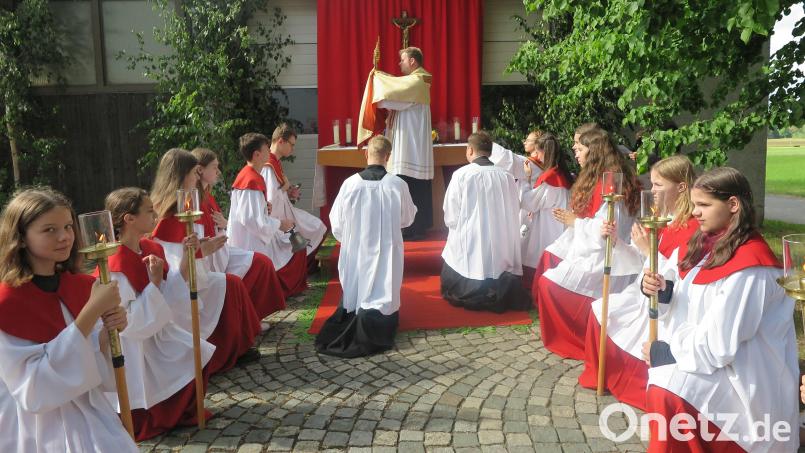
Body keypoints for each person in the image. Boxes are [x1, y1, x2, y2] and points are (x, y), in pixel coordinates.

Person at [642, 167, 798, 452]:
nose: (696, 212)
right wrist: (664, 293)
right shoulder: (710, 245)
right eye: (694, 204)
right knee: (663, 381)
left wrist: (668, 351)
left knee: (667, 387)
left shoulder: (751, 266)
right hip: (714, 362)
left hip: (747, 379)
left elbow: (720, 345)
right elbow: (692, 306)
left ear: (733, 205)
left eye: (704, 205)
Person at [0, 187, 138, 452]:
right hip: (37, 428)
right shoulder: (7, 303)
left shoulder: (79, 286)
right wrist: (90, 313)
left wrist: (109, 332)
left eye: (67, 226)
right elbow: (34, 389)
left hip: (90, 408)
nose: (64, 237)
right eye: (49, 230)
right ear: (22, 237)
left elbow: (97, 365)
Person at [578, 155, 698, 410]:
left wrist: (647, 251)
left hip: (666, 306)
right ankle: (602, 374)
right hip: (643, 291)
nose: (651, 190)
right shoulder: (666, 217)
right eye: (651, 184)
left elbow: (678, 279)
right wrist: (619, 243)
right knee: (599, 309)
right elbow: (638, 262)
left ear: (681, 187)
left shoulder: (691, 227)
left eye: (657, 185)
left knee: (609, 313)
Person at [102, 187, 215, 440]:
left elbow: (171, 291)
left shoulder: (149, 248)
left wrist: (187, 255)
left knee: (197, 351)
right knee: (184, 356)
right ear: (129, 219)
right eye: (149, 210)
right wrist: (152, 284)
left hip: (157, 327)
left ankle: (182, 413)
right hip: (135, 343)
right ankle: (157, 417)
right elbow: (129, 321)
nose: (155, 215)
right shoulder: (115, 265)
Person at [534, 128, 642, 359]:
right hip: (593, 245)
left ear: (594, 152)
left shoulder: (611, 182)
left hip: (609, 256)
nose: (575, 150)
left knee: (548, 283)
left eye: (580, 147)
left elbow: (610, 228)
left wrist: (575, 222)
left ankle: (577, 339)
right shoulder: (600, 176)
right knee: (550, 256)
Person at [150, 148, 261, 374]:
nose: (196, 178)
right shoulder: (169, 216)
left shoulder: (187, 205)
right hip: (178, 290)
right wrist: (203, 250)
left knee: (230, 284)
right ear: (181, 176)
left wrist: (202, 250)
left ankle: (237, 347)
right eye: (193, 173)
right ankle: (228, 352)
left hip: (192, 276)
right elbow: (173, 265)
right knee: (229, 285)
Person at [315, 135, 416, 357]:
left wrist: (353, 239)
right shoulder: (397, 184)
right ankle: (380, 322)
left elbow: (337, 223)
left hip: (356, 251)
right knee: (384, 284)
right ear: (388, 157)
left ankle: (355, 310)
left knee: (357, 286)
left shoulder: (349, 184)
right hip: (387, 250)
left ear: (366, 154)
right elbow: (407, 219)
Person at [440, 131, 531, 313]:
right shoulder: (505, 176)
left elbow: (451, 213)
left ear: (470, 150)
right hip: (500, 242)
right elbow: (515, 208)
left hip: (471, 241)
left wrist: (456, 228)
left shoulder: (461, 175)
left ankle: (471, 289)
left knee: (456, 244)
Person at [192, 147, 286, 322]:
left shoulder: (207, 195)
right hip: (211, 258)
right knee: (256, 266)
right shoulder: (194, 200)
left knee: (262, 262)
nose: (218, 171)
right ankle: (247, 319)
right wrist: (278, 223)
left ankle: (254, 317)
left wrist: (263, 210)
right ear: (200, 170)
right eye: (214, 167)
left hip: (221, 250)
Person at [228, 133, 308, 296]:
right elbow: (251, 219)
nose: (269, 153)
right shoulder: (251, 180)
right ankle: (282, 292)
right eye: (266, 150)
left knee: (294, 245)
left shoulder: (250, 175)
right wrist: (280, 224)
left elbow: (249, 211)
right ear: (257, 155)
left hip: (255, 235)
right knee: (292, 248)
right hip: (251, 240)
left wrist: (264, 207)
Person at [376, 47, 434, 240]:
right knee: (411, 183)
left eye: (402, 60)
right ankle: (414, 227)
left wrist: (376, 81)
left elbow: (390, 100)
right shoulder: (415, 81)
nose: (399, 64)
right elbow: (395, 98)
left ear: (412, 61)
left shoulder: (417, 81)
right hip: (410, 141)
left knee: (410, 183)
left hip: (411, 144)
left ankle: (413, 228)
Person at [262, 124, 327, 271]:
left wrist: (289, 192)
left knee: (316, 226)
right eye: (291, 145)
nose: (293, 149)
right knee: (316, 227)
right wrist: (285, 189)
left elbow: (277, 190)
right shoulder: (268, 165)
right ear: (280, 141)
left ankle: (306, 267)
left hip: (285, 211)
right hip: (278, 216)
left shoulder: (275, 162)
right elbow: (270, 198)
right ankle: (306, 268)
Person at [519, 133, 573, 287]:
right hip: (557, 223)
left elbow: (530, 203)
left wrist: (526, 179)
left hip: (548, 225)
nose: (536, 155)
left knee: (543, 257)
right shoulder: (561, 173)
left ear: (544, 152)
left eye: (537, 151)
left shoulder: (550, 177)